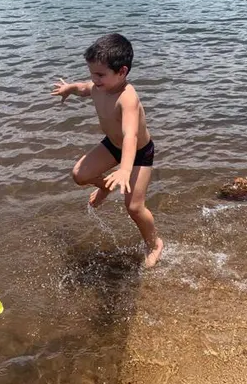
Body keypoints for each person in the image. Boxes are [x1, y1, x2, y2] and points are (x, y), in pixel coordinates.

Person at [52, 33, 164, 268]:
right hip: (113, 145)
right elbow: (85, 88)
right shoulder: (98, 86)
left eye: (100, 75)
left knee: (133, 207)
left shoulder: (127, 98)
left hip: (139, 154)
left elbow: (131, 136)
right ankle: (106, 187)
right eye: (92, 72)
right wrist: (69, 88)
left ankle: (155, 244)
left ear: (122, 72)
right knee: (79, 175)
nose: (95, 79)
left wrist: (125, 169)